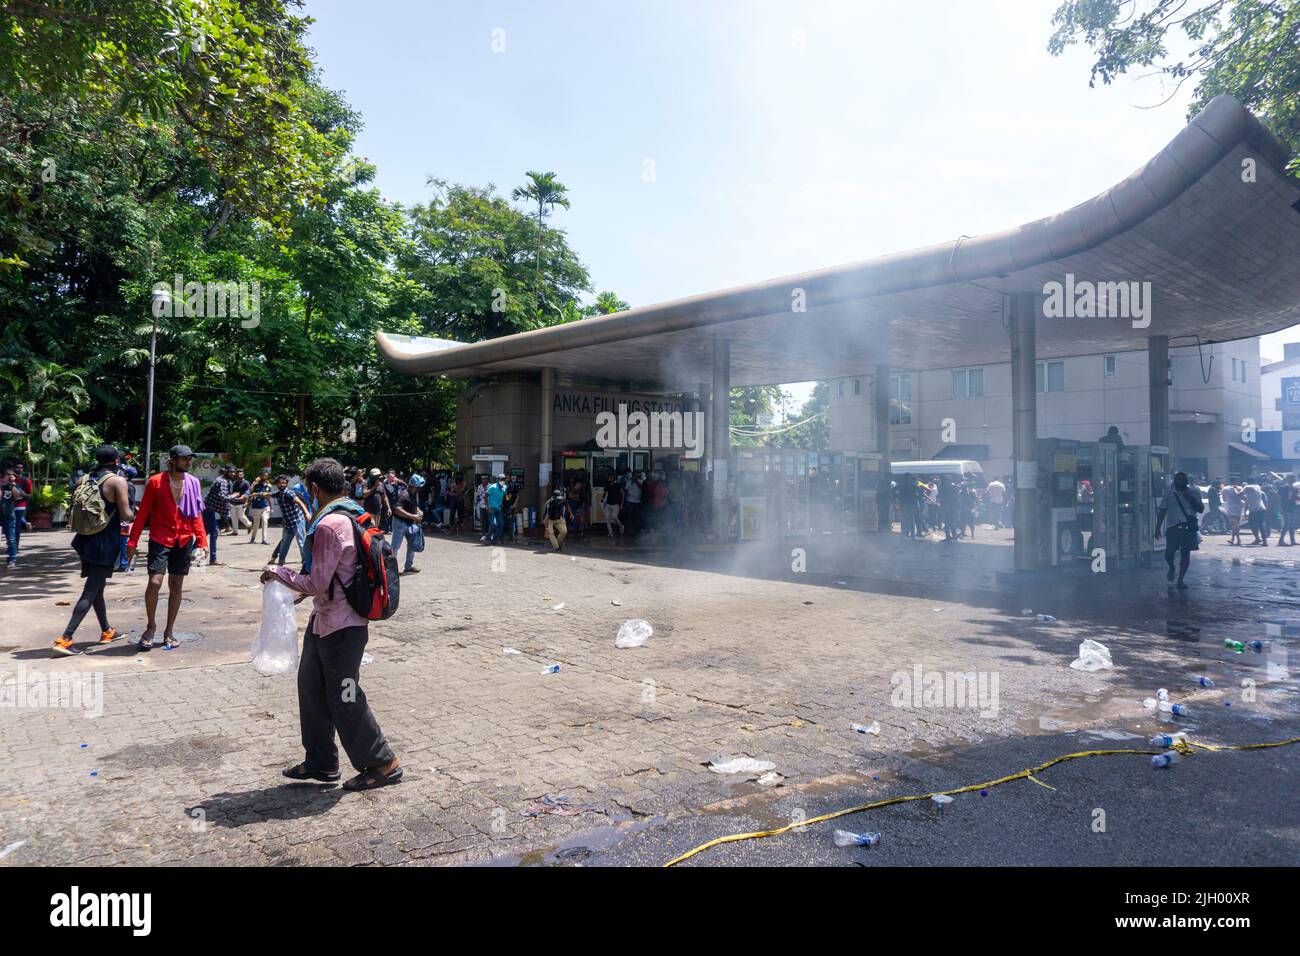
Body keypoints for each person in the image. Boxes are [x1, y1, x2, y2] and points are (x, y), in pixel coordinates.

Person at [263, 457, 401, 792]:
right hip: (325, 621)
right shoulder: (351, 511)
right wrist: (294, 593)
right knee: (310, 688)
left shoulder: (328, 525)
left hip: (343, 626)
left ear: (313, 487)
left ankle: (383, 763)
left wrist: (276, 573)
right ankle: (321, 762)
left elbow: (318, 583)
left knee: (345, 695)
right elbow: (331, 576)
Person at [52, 446, 136, 655]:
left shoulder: (85, 479)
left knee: (97, 587)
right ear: (117, 461)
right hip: (105, 543)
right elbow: (126, 515)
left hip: (84, 539)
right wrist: (135, 511)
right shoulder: (117, 481)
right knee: (90, 590)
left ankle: (107, 630)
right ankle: (66, 638)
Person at [125, 444, 209, 650]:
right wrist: (132, 542)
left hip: (184, 538)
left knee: (177, 585)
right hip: (160, 538)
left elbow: (196, 513)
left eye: (190, 458)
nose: (188, 462)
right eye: (184, 458)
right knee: (155, 581)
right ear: (172, 460)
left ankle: (169, 630)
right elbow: (143, 513)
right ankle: (151, 626)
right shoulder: (155, 481)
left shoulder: (193, 483)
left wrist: (202, 541)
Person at [1155, 471, 1204, 589]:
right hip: (1173, 527)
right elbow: (1162, 510)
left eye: (1182, 479)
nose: (1180, 482)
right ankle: (1171, 567)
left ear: (1186, 481)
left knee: (1185, 553)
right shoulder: (1169, 493)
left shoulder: (1194, 492)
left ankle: (1180, 579)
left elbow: (1201, 509)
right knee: (1169, 553)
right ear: (1174, 481)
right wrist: (1157, 528)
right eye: (1178, 479)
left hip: (1188, 527)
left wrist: (1190, 498)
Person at [272, 474, 310, 566]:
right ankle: (281, 561)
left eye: (284, 483)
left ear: (286, 484)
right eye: (280, 483)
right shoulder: (278, 494)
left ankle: (305, 562)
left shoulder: (289, 493)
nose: (282, 485)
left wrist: (306, 513)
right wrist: (257, 494)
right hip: (288, 523)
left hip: (297, 521)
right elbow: (270, 495)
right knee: (285, 542)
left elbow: (299, 502)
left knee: (301, 541)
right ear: (277, 484)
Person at [391, 473, 423, 574]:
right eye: (419, 486)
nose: (420, 488)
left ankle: (408, 566)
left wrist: (418, 510)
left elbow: (414, 505)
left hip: (410, 524)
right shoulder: (404, 494)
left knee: (412, 545)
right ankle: (391, 569)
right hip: (400, 523)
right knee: (395, 546)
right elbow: (397, 509)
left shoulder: (414, 493)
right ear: (415, 485)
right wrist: (413, 516)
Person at [202, 464, 233, 564]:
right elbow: (222, 497)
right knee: (214, 531)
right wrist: (235, 497)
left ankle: (190, 554)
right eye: (230, 472)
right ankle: (213, 559)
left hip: (209, 509)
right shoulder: (222, 481)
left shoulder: (222, 480)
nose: (232, 474)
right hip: (209, 509)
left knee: (205, 532)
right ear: (226, 471)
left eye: (233, 472)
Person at [1, 466, 27, 569]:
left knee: (11, 539)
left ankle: (12, 560)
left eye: (12, 475)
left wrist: (12, 485)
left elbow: (17, 497)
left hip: (9, 516)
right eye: (9, 475)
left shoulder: (13, 486)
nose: (12, 476)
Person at [247, 472, 273, 544]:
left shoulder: (269, 486)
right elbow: (250, 493)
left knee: (265, 521)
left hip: (265, 506)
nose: (264, 477)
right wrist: (254, 483)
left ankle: (264, 539)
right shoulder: (256, 485)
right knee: (256, 523)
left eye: (266, 475)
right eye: (263, 475)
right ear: (260, 476)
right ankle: (253, 538)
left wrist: (271, 507)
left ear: (267, 476)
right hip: (256, 506)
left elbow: (269, 497)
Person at [1242, 478, 1266, 546]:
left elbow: (1239, 494)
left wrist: (1236, 488)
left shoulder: (1247, 487)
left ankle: (1257, 538)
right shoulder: (1258, 486)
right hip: (1261, 508)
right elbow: (1248, 499)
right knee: (1261, 525)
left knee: (1251, 524)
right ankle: (1264, 541)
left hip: (1254, 510)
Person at [228, 468, 251, 534]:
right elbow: (232, 492)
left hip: (242, 502)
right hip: (233, 502)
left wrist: (246, 502)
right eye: (238, 474)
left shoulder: (246, 483)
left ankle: (249, 525)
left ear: (243, 475)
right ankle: (235, 532)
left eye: (241, 474)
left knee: (241, 516)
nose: (239, 475)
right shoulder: (234, 483)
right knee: (233, 517)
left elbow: (247, 493)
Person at [1222, 478, 1244, 545]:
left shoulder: (1225, 489)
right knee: (1235, 523)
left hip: (1230, 507)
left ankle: (1237, 539)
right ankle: (1234, 539)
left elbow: (1224, 499)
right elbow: (1242, 497)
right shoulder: (1240, 488)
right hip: (1238, 507)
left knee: (1234, 524)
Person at [486, 473, 506, 545]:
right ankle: (488, 539)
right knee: (492, 524)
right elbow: (486, 496)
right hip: (491, 508)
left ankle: (495, 539)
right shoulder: (492, 487)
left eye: (504, 479)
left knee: (501, 524)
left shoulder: (504, 487)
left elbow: (504, 496)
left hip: (499, 509)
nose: (502, 481)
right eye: (501, 479)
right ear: (498, 480)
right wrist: (488, 506)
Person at [474, 475, 490, 540]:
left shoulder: (490, 486)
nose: (483, 480)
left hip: (489, 505)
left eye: (484, 479)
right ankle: (483, 534)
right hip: (481, 505)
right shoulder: (479, 487)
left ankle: (489, 534)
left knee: (488, 520)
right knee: (482, 520)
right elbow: (478, 495)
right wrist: (476, 502)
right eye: (482, 479)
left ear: (487, 479)